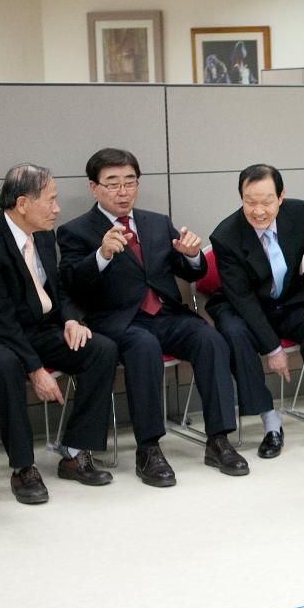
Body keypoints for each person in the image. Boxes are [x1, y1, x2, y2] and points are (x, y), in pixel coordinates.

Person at [57, 148, 249, 486]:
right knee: (143, 346)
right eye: (113, 183)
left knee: (211, 339)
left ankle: (218, 439)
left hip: (167, 314)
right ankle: (148, 449)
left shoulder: (156, 221)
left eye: (130, 182)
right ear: (94, 187)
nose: (123, 191)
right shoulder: (76, 231)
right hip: (117, 321)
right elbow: (71, 283)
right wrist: (101, 255)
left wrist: (190, 257)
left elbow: (188, 271)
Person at [0, 164, 119, 504]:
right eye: (51, 200)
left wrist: (70, 320)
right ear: (23, 203)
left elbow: (55, 289)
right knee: (5, 364)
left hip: (35, 328)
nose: (58, 208)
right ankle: (23, 467)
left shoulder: (42, 233)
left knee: (100, 348)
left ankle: (73, 452)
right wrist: (36, 369)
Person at [208, 165, 304, 457]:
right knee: (234, 334)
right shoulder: (225, 236)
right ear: (241, 198)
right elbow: (242, 299)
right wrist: (272, 348)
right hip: (241, 306)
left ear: (281, 197)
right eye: (250, 201)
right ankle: (270, 422)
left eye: (266, 201)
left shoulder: (300, 213)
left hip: (291, 300)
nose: (258, 211)